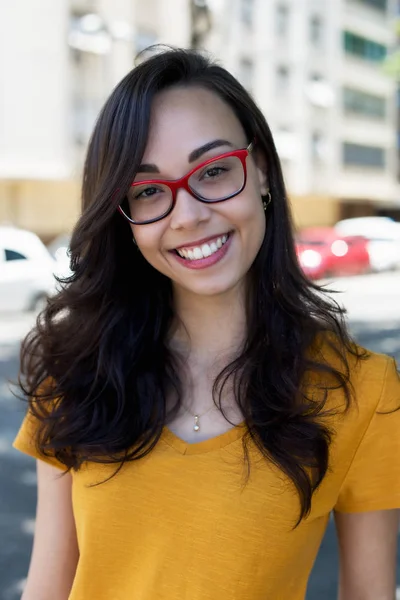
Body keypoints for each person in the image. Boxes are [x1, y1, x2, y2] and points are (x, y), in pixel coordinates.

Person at [13, 47, 400, 600]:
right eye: (148, 191)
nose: (188, 215)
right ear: (123, 216)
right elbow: (47, 588)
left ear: (261, 169)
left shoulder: (365, 391)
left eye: (214, 171)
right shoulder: (75, 370)